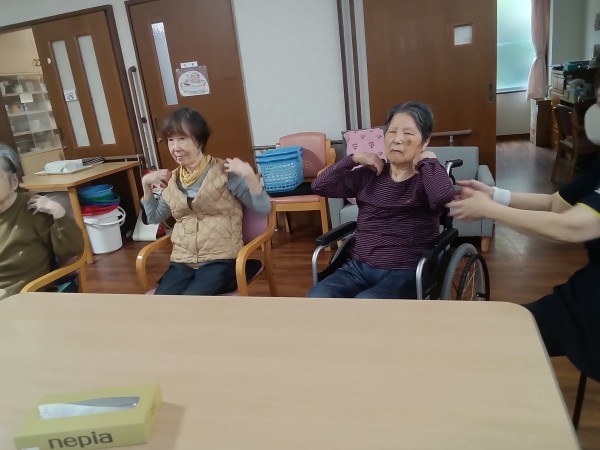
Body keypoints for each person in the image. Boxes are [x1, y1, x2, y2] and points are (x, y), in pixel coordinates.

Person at [447, 155, 600, 381]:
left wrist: (489, 209)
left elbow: (570, 227)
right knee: (490, 335)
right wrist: (494, 195)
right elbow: (556, 204)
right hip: (578, 298)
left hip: (592, 315)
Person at [308, 101, 455, 299]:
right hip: (358, 267)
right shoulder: (369, 174)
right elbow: (319, 186)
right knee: (318, 296)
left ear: (425, 140)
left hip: (407, 271)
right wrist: (354, 159)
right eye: (392, 132)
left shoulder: (428, 177)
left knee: (367, 304)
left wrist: (428, 160)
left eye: (408, 133)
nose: (397, 140)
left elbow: (443, 196)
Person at [141, 107, 271, 295]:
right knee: (163, 302)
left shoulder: (225, 172)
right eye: (170, 140)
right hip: (182, 261)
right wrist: (146, 184)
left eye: (182, 139)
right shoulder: (172, 179)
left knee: (193, 303)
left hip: (220, 259)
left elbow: (264, 207)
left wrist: (250, 175)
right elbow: (154, 217)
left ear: (200, 141)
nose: (175, 148)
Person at [0, 144, 84, 299]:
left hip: (22, 295)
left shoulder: (35, 207)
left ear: (14, 181)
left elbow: (73, 249)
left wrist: (59, 213)